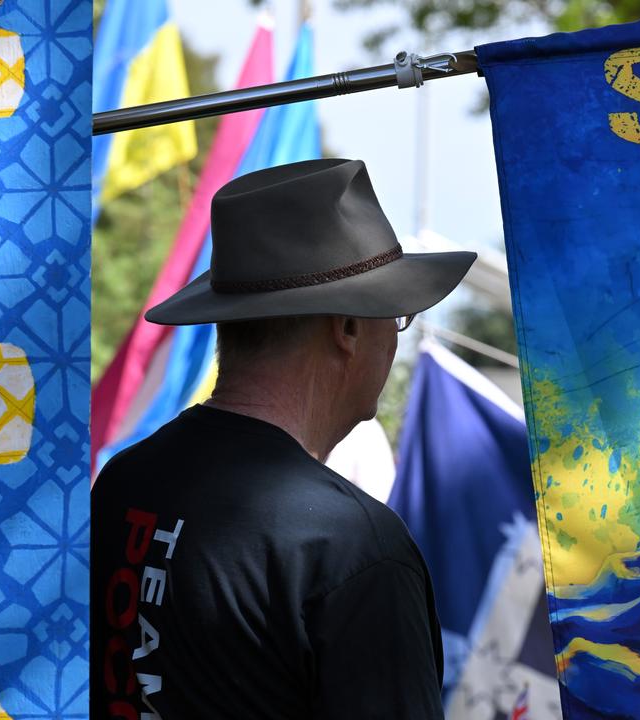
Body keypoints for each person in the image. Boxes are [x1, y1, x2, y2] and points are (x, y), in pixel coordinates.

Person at [90, 158, 476, 718]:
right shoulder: (352, 548)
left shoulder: (126, 481)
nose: (394, 346)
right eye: (396, 319)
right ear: (345, 328)